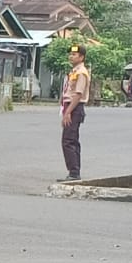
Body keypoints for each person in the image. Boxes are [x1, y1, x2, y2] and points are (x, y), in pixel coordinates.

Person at [61, 44, 90, 180]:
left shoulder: (81, 73)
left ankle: (74, 172)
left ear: (82, 57)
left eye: (74, 55)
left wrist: (68, 112)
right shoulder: (74, 71)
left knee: (68, 140)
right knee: (72, 140)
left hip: (74, 107)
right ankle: (74, 171)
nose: (71, 56)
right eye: (70, 54)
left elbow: (78, 95)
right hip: (70, 107)